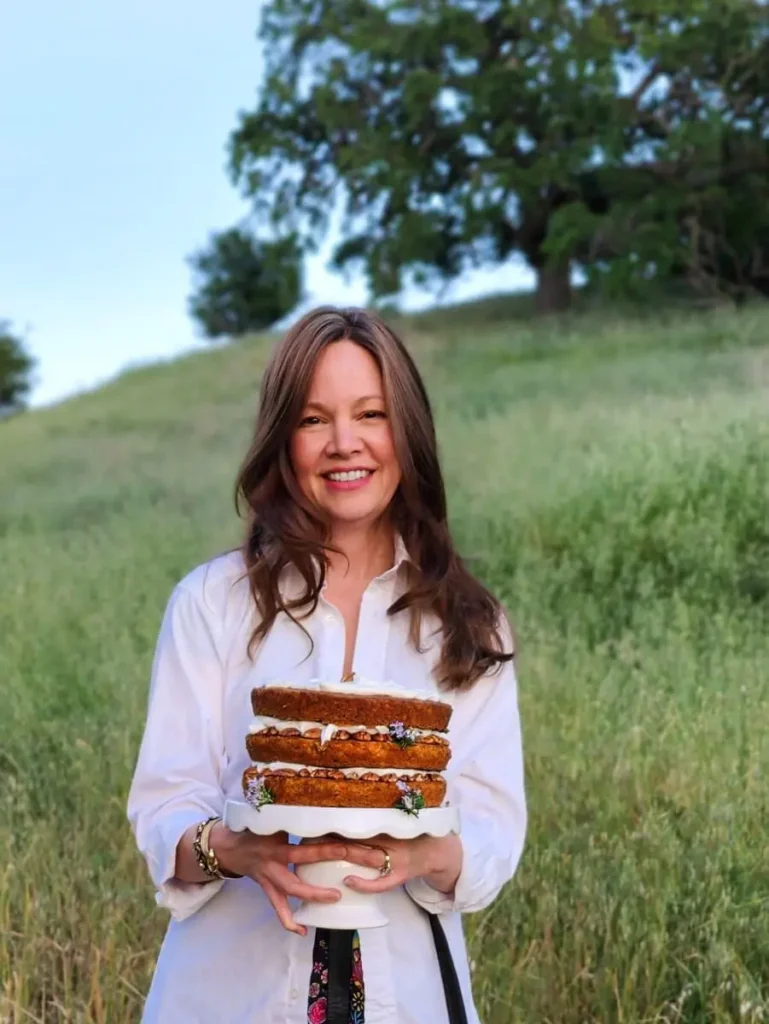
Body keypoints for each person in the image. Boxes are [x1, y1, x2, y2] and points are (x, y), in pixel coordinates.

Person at [127, 306, 527, 1024]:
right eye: (314, 420)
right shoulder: (211, 605)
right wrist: (232, 850)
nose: (345, 444)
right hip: (230, 992)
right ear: (283, 439)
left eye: (370, 413)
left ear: (406, 428)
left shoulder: (466, 623)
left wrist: (428, 854)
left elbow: (496, 831)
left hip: (408, 991)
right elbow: (163, 809)